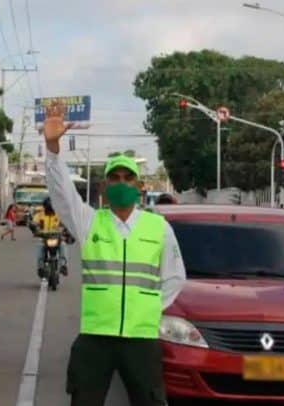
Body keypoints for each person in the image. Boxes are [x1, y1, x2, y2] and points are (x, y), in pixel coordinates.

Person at [43, 100, 186, 406]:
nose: (121, 183)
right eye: (114, 178)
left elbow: (175, 278)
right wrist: (53, 148)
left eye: (127, 178)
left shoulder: (159, 228)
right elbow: (61, 194)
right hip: (95, 338)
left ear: (138, 185)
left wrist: (146, 311)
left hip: (141, 340)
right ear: (105, 186)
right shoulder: (90, 221)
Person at [30, 197, 68, 277]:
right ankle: (40, 267)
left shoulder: (59, 215)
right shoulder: (40, 214)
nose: (50, 210)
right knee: (40, 249)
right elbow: (33, 222)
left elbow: (66, 223)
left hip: (57, 237)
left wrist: (66, 231)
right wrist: (34, 228)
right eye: (48, 208)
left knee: (63, 245)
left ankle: (63, 265)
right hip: (43, 237)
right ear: (45, 207)